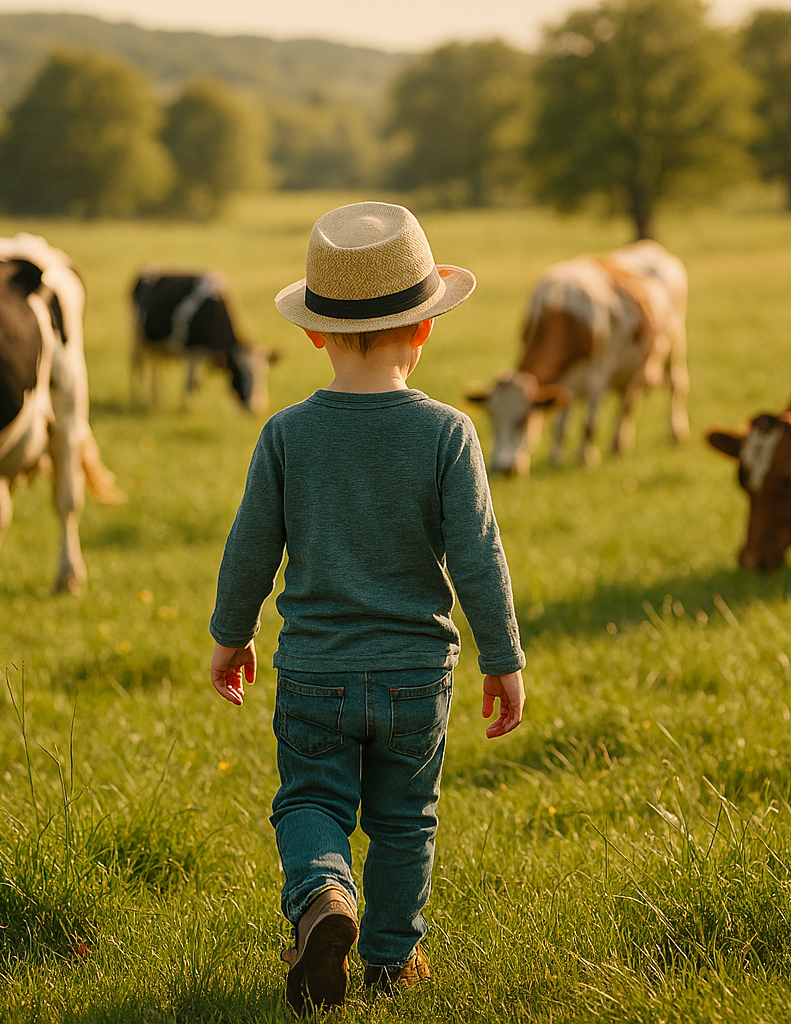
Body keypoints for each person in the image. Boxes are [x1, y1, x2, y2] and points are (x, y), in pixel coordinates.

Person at [209, 202, 526, 1014]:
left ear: (316, 334)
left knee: (311, 800)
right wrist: (503, 659)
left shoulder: (286, 434)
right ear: (424, 332)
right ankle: (391, 959)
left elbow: (250, 549)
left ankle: (322, 898)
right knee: (405, 818)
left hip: (314, 669)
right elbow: (481, 558)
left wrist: (231, 638)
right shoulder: (449, 433)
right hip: (416, 673)